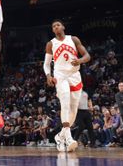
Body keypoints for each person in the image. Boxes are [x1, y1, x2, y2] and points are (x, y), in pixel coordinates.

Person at [44, 19, 90, 152]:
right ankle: (69, 139)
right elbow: (46, 64)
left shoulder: (73, 39)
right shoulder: (51, 44)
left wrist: (80, 60)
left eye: (58, 25)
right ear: (53, 30)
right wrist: (48, 76)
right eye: (53, 26)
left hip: (75, 75)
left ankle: (60, 136)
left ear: (63, 27)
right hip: (60, 76)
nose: (56, 27)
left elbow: (87, 55)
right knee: (65, 102)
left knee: (74, 108)